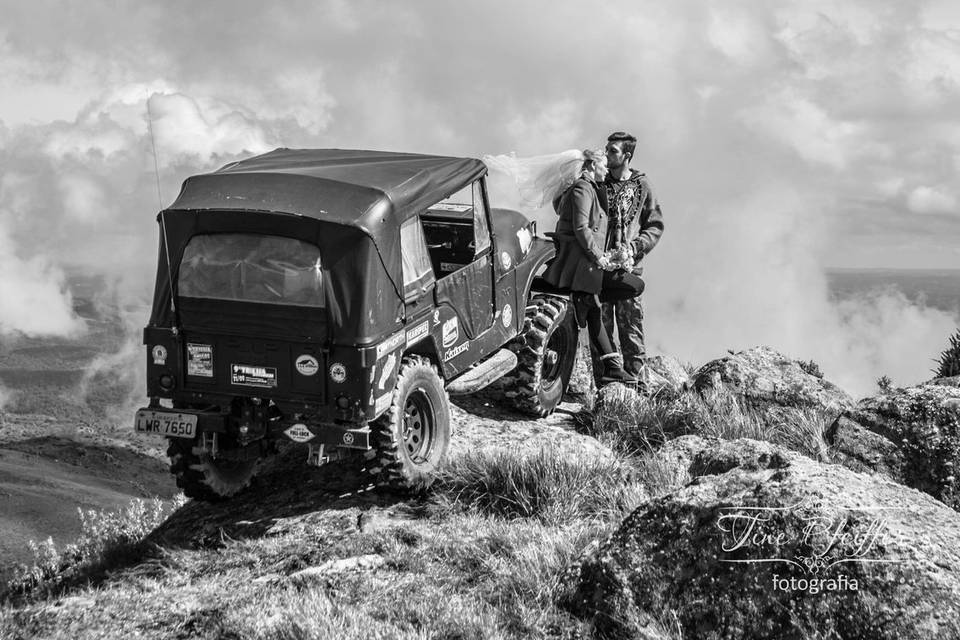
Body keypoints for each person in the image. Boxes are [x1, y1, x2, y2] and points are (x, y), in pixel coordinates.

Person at [542, 149, 644, 384]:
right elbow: (581, 228)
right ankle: (583, 300)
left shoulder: (586, 188)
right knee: (634, 286)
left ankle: (611, 367)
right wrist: (600, 257)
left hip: (586, 264)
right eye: (603, 165)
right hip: (580, 264)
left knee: (595, 310)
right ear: (591, 165)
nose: (607, 170)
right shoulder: (582, 188)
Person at [591, 131, 665, 387]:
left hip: (627, 270)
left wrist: (634, 248)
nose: (607, 154)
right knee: (600, 328)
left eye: (613, 150)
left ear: (627, 156)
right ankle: (605, 387)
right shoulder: (596, 183)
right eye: (607, 149)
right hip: (598, 268)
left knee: (631, 328)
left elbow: (655, 225)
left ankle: (638, 388)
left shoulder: (643, 186)